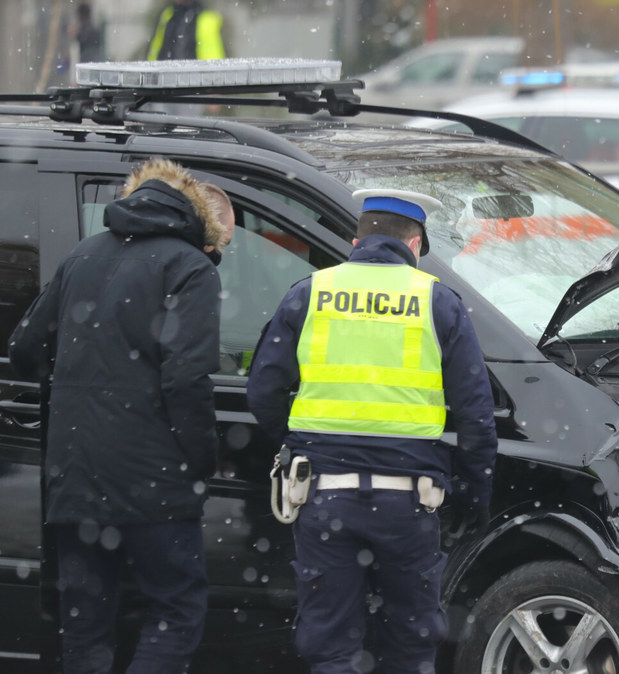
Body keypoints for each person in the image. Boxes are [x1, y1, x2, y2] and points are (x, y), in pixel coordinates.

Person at [246, 189, 498, 674]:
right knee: (409, 644)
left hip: (323, 497)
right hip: (409, 502)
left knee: (331, 647)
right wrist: (472, 495)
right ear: (416, 244)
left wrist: (303, 444)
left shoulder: (310, 292)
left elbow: (263, 392)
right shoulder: (438, 301)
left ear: (354, 241)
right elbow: (476, 416)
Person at [7, 158, 232, 674]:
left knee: (85, 626)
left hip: (75, 476)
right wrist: (202, 459)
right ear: (203, 222)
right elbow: (186, 379)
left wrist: (76, 391)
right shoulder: (188, 267)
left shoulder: (83, 255)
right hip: (152, 481)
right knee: (176, 611)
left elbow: (24, 348)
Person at [147, 0, 226, 61]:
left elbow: (211, 58)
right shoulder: (168, 15)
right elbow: (155, 50)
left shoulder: (206, 19)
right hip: (165, 77)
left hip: (192, 78)